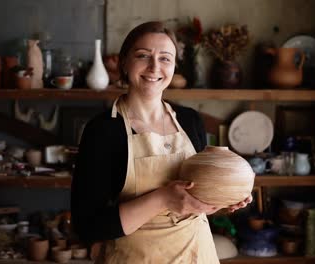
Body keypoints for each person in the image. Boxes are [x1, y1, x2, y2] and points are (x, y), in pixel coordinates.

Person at [71, 21, 252, 263]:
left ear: (174, 66)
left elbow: (194, 197)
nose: (154, 66)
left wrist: (223, 195)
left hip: (197, 255)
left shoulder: (190, 120)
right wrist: (162, 198)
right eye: (143, 55)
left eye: (165, 58)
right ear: (125, 62)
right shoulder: (103, 130)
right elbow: (88, 226)